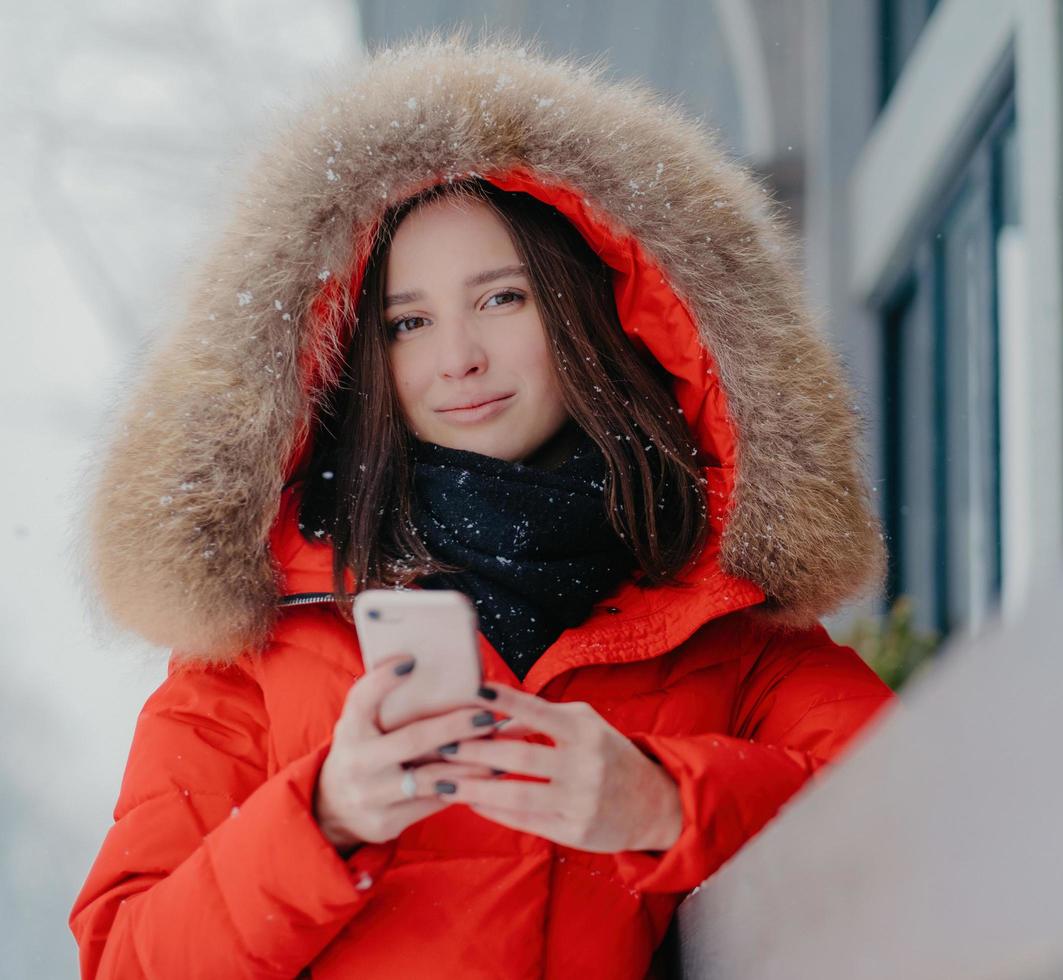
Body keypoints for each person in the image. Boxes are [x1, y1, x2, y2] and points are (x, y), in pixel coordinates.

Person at [70, 35, 895, 980]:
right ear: (354, 356)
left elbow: (910, 809)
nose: (455, 358)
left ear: (594, 314)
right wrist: (324, 817)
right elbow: (124, 960)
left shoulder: (723, 625)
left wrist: (667, 805)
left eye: (501, 299)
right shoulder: (256, 648)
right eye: (408, 322)